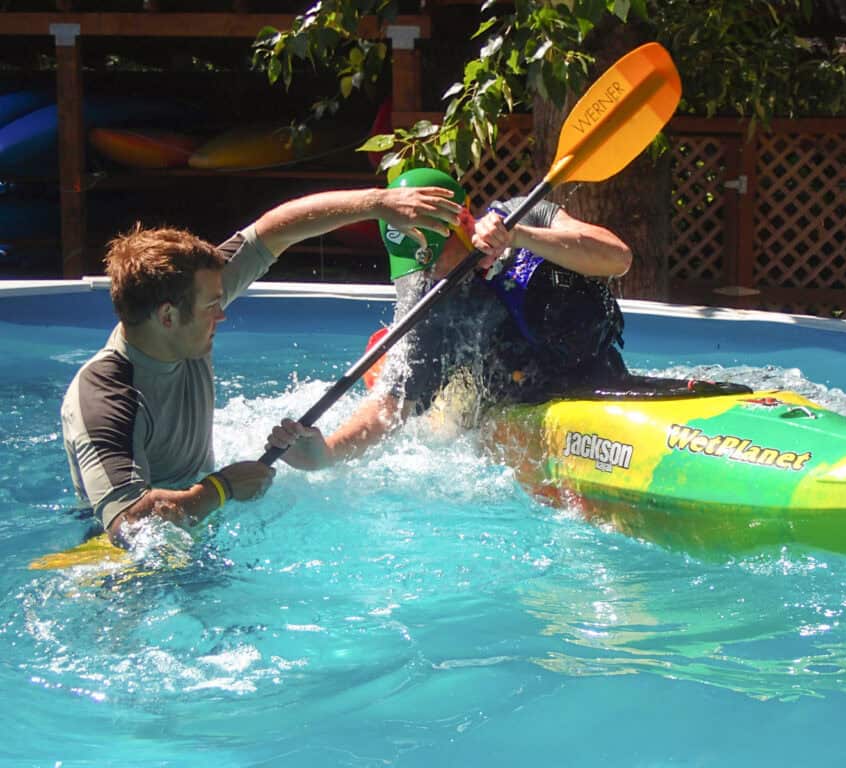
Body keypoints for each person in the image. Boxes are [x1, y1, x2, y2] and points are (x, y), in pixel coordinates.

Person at [61, 183, 464, 544]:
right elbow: (128, 526)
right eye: (212, 307)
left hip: (199, 523)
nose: (222, 314)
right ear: (167, 317)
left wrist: (379, 204)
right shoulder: (105, 397)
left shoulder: (187, 303)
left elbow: (274, 230)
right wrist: (220, 489)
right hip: (127, 563)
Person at [266, 167, 632, 469]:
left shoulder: (523, 215)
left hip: (601, 376)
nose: (429, 270)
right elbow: (387, 409)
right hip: (523, 408)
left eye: (434, 254)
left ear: (463, 224)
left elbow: (618, 258)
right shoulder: (426, 303)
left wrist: (519, 236)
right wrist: (324, 453)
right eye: (418, 260)